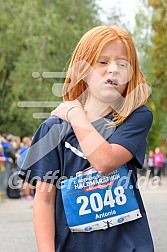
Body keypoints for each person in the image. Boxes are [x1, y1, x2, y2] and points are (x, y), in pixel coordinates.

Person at [18, 25, 154, 252]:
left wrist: (75, 113)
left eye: (122, 63)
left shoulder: (136, 117)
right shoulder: (53, 128)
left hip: (128, 245)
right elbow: (44, 200)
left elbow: (105, 161)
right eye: (102, 62)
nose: (113, 70)